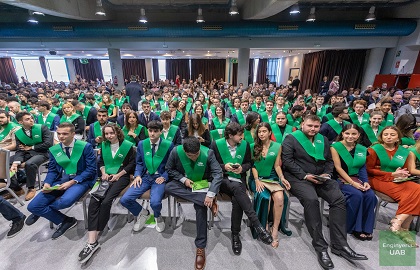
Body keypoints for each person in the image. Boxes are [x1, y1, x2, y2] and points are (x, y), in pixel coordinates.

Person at [282, 114, 367, 269]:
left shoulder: (323, 139)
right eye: (310, 126)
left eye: (316, 126)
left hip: (321, 177)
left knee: (338, 199)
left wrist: (327, 174)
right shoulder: (291, 138)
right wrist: (305, 175)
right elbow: (287, 161)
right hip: (299, 177)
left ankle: (340, 245)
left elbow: (329, 161)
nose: (313, 129)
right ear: (302, 124)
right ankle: (320, 247)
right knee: (311, 200)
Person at [211, 122, 273, 255]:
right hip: (223, 180)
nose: (242, 137)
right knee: (237, 189)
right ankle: (258, 226)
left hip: (238, 179)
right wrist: (223, 167)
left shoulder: (244, 145)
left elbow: (249, 163)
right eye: (239, 135)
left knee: (237, 199)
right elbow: (211, 164)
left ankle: (235, 234)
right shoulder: (216, 144)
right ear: (230, 135)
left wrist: (241, 168)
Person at [26, 122, 97, 240]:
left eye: (65, 134)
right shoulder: (55, 149)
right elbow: (52, 170)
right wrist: (47, 182)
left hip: (80, 180)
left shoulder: (85, 146)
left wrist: (72, 182)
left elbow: (91, 169)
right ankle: (66, 221)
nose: (61, 137)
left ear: (73, 134)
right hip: (61, 179)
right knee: (33, 206)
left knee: (64, 202)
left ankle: (43, 211)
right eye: (58, 134)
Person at [78, 124, 135, 264]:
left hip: (122, 176)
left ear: (117, 132)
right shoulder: (104, 145)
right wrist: (103, 173)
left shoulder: (127, 145)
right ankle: (92, 241)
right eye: (107, 133)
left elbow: (131, 164)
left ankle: (94, 238)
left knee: (106, 201)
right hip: (106, 176)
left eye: (112, 133)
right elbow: (102, 162)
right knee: (94, 200)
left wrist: (118, 175)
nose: (109, 136)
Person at [165, 136, 222, 270]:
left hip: (201, 184)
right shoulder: (175, 151)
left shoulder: (208, 153)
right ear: (185, 152)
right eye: (191, 155)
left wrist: (210, 193)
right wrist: (183, 179)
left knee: (201, 208)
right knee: (168, 187)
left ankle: (200, 247)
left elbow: (218, 173)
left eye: (197, 154)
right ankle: (206, 201)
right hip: (186, 184)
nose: (195, 157)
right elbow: (169, 169)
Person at [366, 126, 420, 247]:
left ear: (398, 138)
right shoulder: (374, 150)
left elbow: (405, 169)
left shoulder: (403, 151)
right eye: (385, 135)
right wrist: (391, 174)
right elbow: (368, 170)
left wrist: (402, 174)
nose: (388, 137)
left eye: (392, 135)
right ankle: (401, 227)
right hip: (377, 179)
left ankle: (400, 225)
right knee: (411, 194)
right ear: (381, 136)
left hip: (397, 180)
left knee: (417, 190)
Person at [120, 121, 173, 233]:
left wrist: (164, 176)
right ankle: (143, 213)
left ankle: (158, 217)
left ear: (160, 132)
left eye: (155, 131)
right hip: (145, 176)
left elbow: (172, 166)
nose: (152, 134)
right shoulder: (142, 144)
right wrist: (137, 175)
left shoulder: (168, 145)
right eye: (150, 131)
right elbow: (139, 162)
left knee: (155, 203)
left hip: (159, 177)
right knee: (125, 199)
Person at [331, 124, 377, 241]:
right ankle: (353, 227)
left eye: (354, 134)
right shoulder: (335, 147)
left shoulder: (361, 149)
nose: (350, 136)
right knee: (357, 195)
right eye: (347, 133)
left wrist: (365, 182)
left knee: (370, 196)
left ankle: (366, 228)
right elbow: (338, 168)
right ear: (342, 134)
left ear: (358, 135)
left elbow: (362, 167)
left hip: (357, 179)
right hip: (339, 179)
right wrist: (353, 183)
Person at [248, 123, 291, 249]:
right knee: (265, 197)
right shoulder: (253, 146)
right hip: (257, 178)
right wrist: (256, 180)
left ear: (270, 132)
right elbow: (253, 166)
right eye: (259, 132)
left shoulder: (277, 146)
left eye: (264, 131)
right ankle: (264, 225)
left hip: (272, 177)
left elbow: (277, 165)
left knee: (279, 198)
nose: (261, 134)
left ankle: (275, 229)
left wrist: (282, 178)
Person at [9, 112, 53, 201]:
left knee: (30, 163)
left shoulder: (42, 127)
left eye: (31, 118)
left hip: (42, 153)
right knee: (7, 162)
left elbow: (48, 144)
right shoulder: (18, 133)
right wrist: (16, 162)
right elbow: (20, 149)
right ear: (20, 122)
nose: (31, 120)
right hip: (26, 153)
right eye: (27, 119)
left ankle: (31, 188)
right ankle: (16, 189)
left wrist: (31, 147)